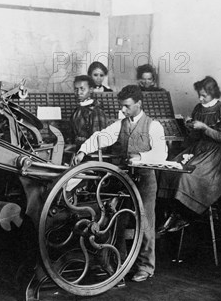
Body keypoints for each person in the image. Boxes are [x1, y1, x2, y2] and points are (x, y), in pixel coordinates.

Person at [72, 85, 167, 282]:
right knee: (118, 221)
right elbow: (101, 136)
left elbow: (161, 153)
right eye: (121, 106)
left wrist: (140, 156)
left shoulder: (154, 126)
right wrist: (83, 150)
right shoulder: (120, 124)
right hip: (124, 180)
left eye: (127, 106)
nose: (123, 110)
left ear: (138, 104)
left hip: (145, 179)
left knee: (146, 222)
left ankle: (146, 267)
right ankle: (120, 263)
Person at [157, 76, 221, 233]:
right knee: (169, 168)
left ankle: (184, 215)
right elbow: (194, 138)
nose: (200, 98)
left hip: (215, 155)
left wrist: (204, 127)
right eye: (199, 95)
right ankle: (171, 214)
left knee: (187, 175)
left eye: (204, 95)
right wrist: (190, 128)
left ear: (213, 93)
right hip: (198, 148)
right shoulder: (198, 108)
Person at [69, 75, 109, 146]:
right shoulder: (78, 109)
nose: (78, 93)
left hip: (90, 152)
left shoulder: (96, 111)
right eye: (76, 89)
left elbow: (98, 141)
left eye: (82, 89)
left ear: (90, 90)